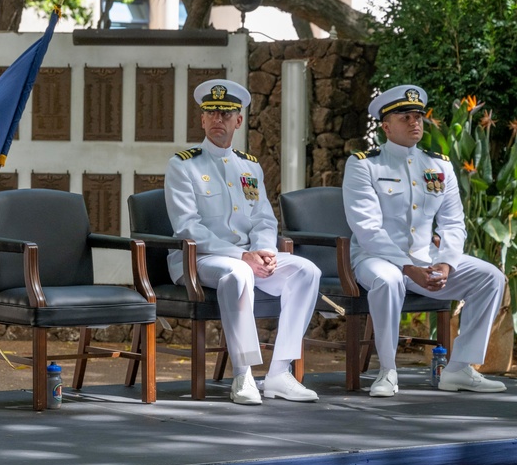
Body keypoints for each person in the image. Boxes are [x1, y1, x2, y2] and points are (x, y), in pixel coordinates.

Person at [342, 85, 507, 397]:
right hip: (374, 258)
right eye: (405, 117)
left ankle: (459, 369)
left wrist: (445, 262)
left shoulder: (439, 166)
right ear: (386, 126)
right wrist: (407, 267)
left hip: (426, 257)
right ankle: (387, 371)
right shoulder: (364, 164)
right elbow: (367, 229)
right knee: (389, 280)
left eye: (418, 115)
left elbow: (454, 223)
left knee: (491, 277)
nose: (414, 121)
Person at [164, 79, 321, 405]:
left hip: (248, 256)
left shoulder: (249, 166)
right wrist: (242, 255)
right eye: (211, 113)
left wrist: (263, 250)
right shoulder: (183, 164)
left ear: (238, 120)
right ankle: (244, 373)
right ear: (202, 119)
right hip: (200, 258)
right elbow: (187, 227)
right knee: (238, 274)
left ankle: (279, 373)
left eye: (226, 113)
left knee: (307, 271)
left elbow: (264, 219)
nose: (217, 119)